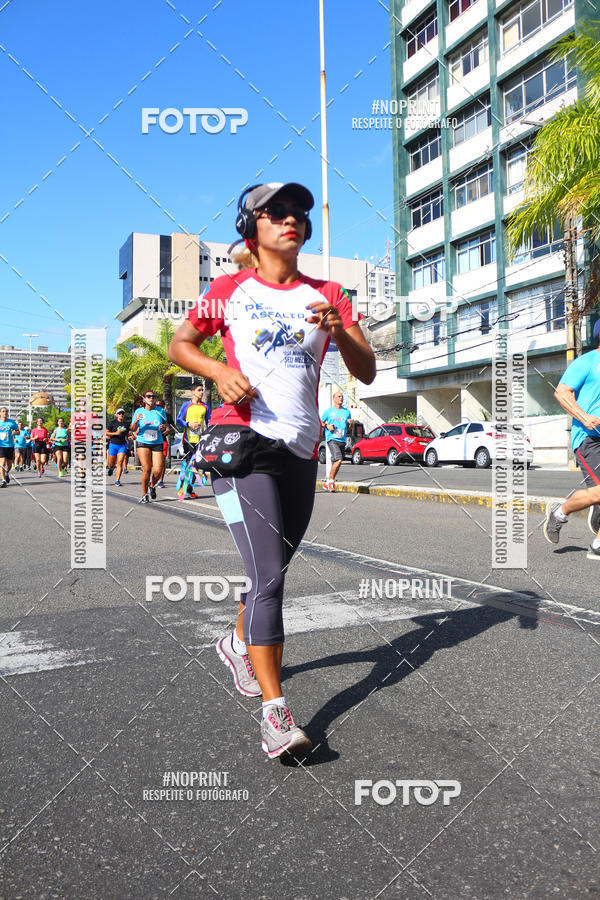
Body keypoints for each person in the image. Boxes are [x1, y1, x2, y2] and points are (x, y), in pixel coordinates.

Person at [168, 180, 375, 759]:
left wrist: (339, 328)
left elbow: (367, 371)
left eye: (298, 212)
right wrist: (217, 371)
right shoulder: (228, 289)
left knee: (273, 568)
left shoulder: (330, 295)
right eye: (276, 212)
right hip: (243, 443)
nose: (291, 220)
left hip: (301, 450)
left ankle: (236, 642)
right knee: (270, 579)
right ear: (250, 227)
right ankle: (275, 714)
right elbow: (181, 344)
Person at [544, 320, 600, 560]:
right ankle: (559, 512)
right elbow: (561, 392)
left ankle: (598, 544)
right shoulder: (587, 362)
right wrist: (584, 417)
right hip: (588, 438)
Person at [131, 391, 168, 503]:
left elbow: (165, 424)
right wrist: (136, 420)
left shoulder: (160, 411)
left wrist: (163, 427)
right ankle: (144, 494)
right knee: (147, 469)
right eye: (148, 396)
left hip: (157, 441)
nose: (151, 398)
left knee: (158, 470)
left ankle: (151, 486)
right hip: (143, 441)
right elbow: (132, 428)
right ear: (144, 399)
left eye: (153, 396)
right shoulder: (139, 411)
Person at [176, 383, 211, 497]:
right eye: (199, 390)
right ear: (193, 391)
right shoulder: (186, 405)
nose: (201, 392)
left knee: (197, 465)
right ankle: (184, 487)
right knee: (190, 465)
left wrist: (209, 434)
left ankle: (189, 488)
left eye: (202, 390)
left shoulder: (205, 407)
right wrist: (188, 424)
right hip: (188, 440)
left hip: (200, 440)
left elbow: (209, 422)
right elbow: (178, 420)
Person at [320, 390, 354, 492]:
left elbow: (349, 428)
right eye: (339, 396)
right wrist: (327, 426)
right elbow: (320, 421)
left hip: (342, 439)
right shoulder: (329, 411)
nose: (341, 398)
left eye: (342, 396)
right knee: (338, 459)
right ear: (334, 398)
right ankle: (331, 481)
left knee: (338, 461)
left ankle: (327, 483)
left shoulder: (346, 412)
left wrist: (351, 423)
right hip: (332, 438)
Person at [154, 398, 175, 488]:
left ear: (163, 406)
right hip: (152, 441)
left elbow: (174, 427)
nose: (158, 407)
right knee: (153, 463)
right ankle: (153, 479)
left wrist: (167, 432)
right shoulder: (151, 414)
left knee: (162, 462)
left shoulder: (166, 416)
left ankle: (160, 480)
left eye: (160, 406)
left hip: (162, 441)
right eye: (156, 405)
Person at [106, 408, 129, 486]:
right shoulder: (112, 423)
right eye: (119, 413)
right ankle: (111, 468)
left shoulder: (126, 424)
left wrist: (130, 436)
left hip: (122, 445)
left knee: (120, 462)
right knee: (111, 463)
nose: (121, 415)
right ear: (116, 415)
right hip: (113, 444)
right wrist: (115, 433)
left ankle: (117, 480)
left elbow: (128, 433)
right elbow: (106, 433)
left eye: (122, 413)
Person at [0, 407, 19, 486]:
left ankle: (6, 473)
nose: (5, 413)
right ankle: (3, 480)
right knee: (2, 463)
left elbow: (18, 431)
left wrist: (14, 433)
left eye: (6, 411)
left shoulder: (12, 422)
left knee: (9, 465)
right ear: (0, 413)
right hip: (1, 445)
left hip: (10, 445)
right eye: (3, 411)